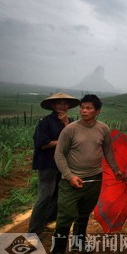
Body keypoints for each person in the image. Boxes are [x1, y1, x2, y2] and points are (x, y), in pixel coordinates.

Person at [51, 94, 123, 254]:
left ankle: (79, 242)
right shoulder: (70, 129)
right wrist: (70, 177)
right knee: (65, 217)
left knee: (84, 214)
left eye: (88, 108)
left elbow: (108, 152)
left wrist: (116, 169)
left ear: (97, 111)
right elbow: (59, 154)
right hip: (71, 181)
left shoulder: (103, 129)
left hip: (95, 180)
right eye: (82, 107)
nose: (84, 111)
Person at [28, 92, 80, 235]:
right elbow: (41, 144)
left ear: (69, 105)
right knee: (45, 196)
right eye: (59, 103)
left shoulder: (70, 121)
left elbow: (75, 139)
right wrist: (61, 142)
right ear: (52, 105)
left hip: (62, 164)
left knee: (57, 194)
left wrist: (65, 124)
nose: (62, 106)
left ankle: (46, 222)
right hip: (47, 163)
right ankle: (33, 232)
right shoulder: (45, 122)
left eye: (65, 103)